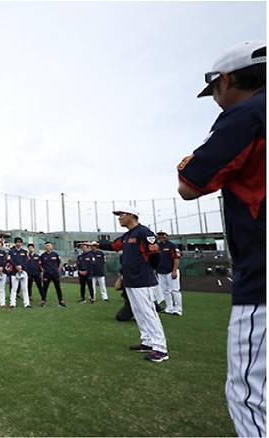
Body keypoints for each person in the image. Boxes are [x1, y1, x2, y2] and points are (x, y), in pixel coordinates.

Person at [177, 41, 265, 435]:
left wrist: (187, 164)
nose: (215, 98)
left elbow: (190, 183)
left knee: (249, 395)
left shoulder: (248, 113)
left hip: (263, 278)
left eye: (213, 90)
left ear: (226, 80)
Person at [99, 207, 169, 363]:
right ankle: (147, 342)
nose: (119, 218)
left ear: (131, 215)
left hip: (142, 279)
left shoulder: (144, 232)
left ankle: (160, 348)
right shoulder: (127, 235)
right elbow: (114, 246)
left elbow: (155, 255)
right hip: (130, 280)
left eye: (121, 215)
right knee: (138, 312)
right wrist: (96, 245)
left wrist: (146, 269)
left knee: (149, 313)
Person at [155, 231, 182, 316]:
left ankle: (178, 309)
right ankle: (169, 307)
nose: (161, 237)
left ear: (167, 236)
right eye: (159, 235)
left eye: (163, 235)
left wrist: (174, 270)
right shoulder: (158, 246)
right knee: (165, 291)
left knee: (175, 290)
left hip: (170, 271)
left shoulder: (172, 246)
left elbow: (176, 258)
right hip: (160, 271)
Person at [40, 242, 66, 307]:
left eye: (49, 245)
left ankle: (61, 301)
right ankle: (43, 301)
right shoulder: (43, 255)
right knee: (44, 288)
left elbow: (60, 263)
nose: (47, 247)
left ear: (52, 247)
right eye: (46, 246)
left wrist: (58, 269)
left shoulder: (55, 254)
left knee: (58, 288)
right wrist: (42, 270)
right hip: (46, 274)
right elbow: (40, 264)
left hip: (55, 274)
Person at [8, 237, 31, 309]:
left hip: (23, 272)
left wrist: (21, 267)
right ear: (15, 243)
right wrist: (16, 266)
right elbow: (9, 260)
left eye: (20, 242)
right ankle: (12, 303)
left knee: (24, 288)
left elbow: (26, 260)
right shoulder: (11, 251)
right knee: (14, 288)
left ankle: (27, 304)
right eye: (17, 242)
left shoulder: (24, 252)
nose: (19, 243)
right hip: (14, 272)